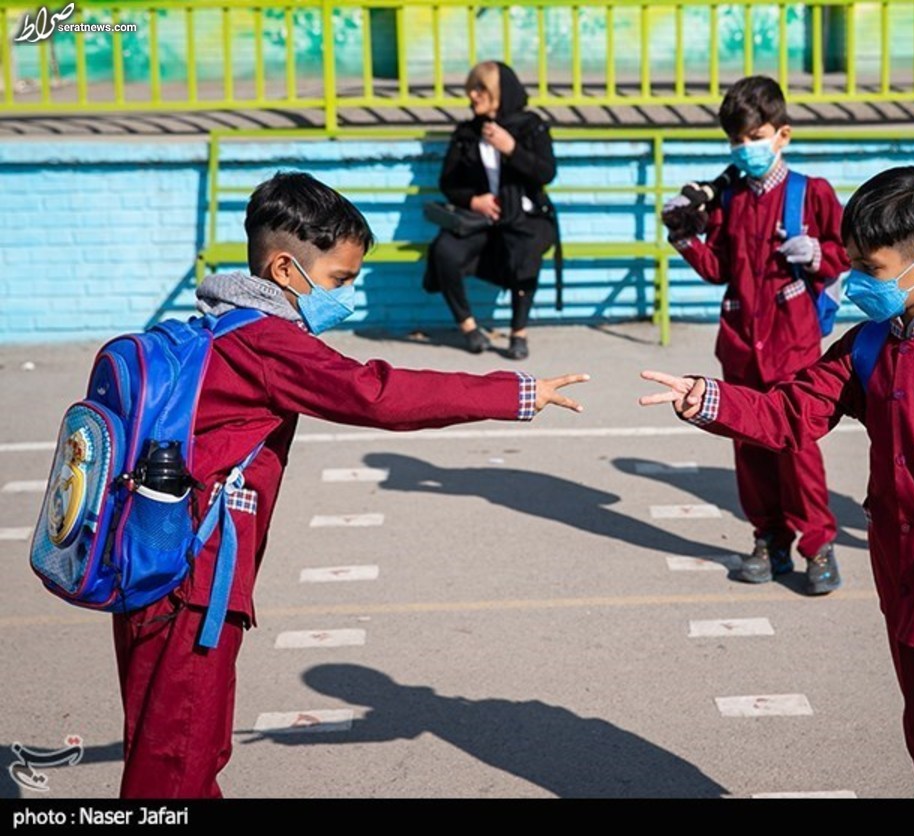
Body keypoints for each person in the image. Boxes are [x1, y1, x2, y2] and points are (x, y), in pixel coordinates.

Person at [112, 171, 587, 798]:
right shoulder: (266, 341)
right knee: (180, 756)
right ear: (285, 270)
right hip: (195, 579)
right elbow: (377, 393)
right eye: (339, 280)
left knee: (170, 742)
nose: (347, 297)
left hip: (149, 559)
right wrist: (513, 393)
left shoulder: (210, 327)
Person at [641, 167, 914, 798]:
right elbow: (789, 414)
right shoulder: (866, 347)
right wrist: (711, 401)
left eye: (870, 267)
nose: (856, 279)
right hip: (904, 581)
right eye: (853, 263)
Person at [662, 75, 849, 591]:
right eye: (737, 141)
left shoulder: (811, 193)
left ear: (782, 133)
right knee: (747, 445)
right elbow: (719, 266)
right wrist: (683, 237)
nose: (746, 148)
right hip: (742, 343)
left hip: (793, 343)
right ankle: (768, 539)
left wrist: (816, 254)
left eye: (755, 135)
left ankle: (817, 544)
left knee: (796, 447)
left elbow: (845, 253)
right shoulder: (729, 198)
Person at [423, 61, 558, 360]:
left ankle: (518, 332)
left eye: (481, 88)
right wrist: (474, 201)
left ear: (501, 92)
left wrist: (512, 149)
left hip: (526, 215)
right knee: (445, 250)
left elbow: (546, 173)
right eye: (471, 88)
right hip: (480, 220)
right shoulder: (467, 133)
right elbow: (448, 182)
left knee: (527, 248)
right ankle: (469, 327)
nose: (473, 95)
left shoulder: (530, 126)